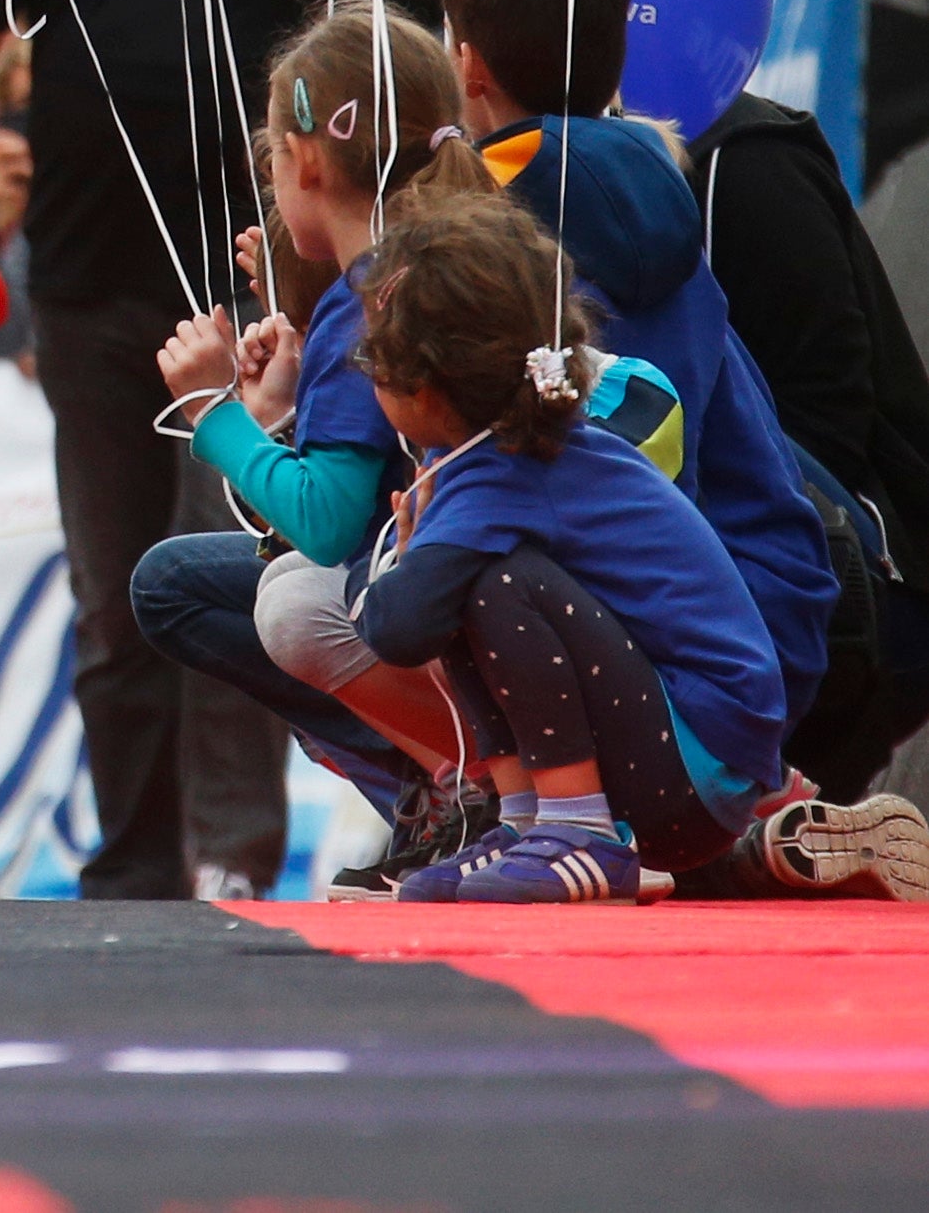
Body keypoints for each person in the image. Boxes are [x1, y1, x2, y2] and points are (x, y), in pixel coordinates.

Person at [0, 0, 425, 900]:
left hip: (277, 287)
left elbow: (404, 55)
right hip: (94, 278)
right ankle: (133, 862)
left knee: (245, 565)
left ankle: (230, 856)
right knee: (114, 588)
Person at [346, 193, 928, 903]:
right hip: (706, 751)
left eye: (372, 360)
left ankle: (576, 829)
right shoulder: (514, 454)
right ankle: (529, 821)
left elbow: (394, 628)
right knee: (469, 582)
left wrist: (410, 554)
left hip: (700, 764)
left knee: (495, 582)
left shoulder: (502, 476)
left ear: (425, 384)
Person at [434, 0, 847, 754]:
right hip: (775, 619)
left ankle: (562, 815)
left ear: (468, 66)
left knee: (378, 579)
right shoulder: (655, 179)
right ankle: (716, 809)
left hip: (685, 646)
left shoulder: (488, 219)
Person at [130, 7, 506, 893]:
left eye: (271, 152)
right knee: (180, 583)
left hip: (468, 594)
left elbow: (331, 525)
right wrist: (278, 414)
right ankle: (445, 783)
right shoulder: (416, 262)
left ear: (304, 163)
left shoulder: (371, 291)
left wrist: (212, 410)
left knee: (284, 602)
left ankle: (468, 785)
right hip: (490, 576)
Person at [685, 85, 929, 797]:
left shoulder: (746, 163)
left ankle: (749, 792)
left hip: (867, 582)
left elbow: (830, 404)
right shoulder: (544, 176)